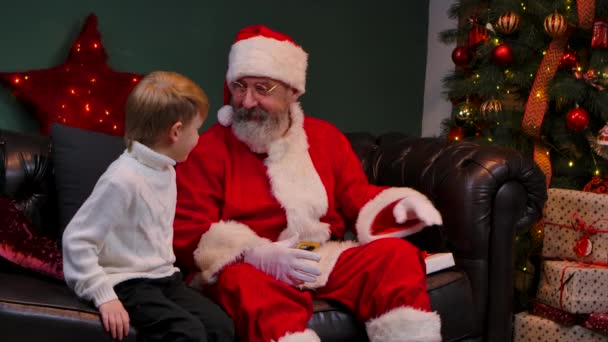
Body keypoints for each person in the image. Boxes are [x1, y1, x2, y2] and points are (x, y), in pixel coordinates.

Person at [174, 25, 442, 342]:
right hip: (252, 267)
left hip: (318, 257)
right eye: (239, 87)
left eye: (263, 88)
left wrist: (397, 204)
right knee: (242, 283)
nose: (247, 101)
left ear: (293, 92)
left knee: (395, 256)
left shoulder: (325, 138)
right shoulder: (206, 149)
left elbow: (356, 196)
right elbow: (188, 228)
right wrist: (255, 254)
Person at [62, 71, 235, 342]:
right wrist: (103, 295)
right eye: (196, 129)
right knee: (185, 333)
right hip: (126, 282)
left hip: (163, 278)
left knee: (220, 326)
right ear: (176, 132)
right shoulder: (122, 178)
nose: (198, 137)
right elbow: (76, 240)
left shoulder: (166, 170)